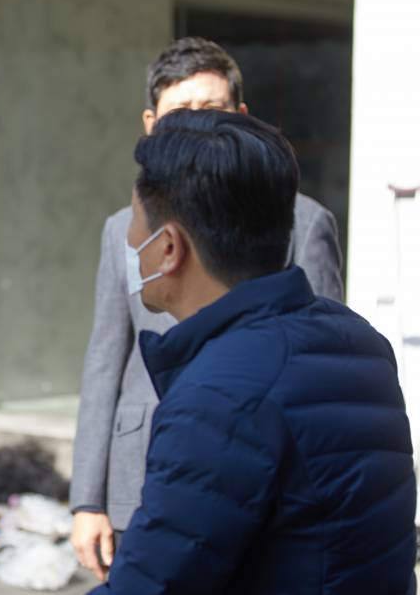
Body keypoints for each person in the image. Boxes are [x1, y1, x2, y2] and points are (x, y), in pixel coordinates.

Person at [87, 109, 416, 595]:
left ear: (170, 247)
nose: (131, 242)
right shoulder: (359, 341)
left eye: (136, 225)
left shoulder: (219, 397)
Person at [70, 37, 345, 580]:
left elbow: (322, 372)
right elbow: (105, 360)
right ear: (151, 123)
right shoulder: (125, 228)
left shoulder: (303, 222)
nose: (195, 128)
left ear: (241, 117)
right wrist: (87, 499)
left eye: (211, 110)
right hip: (141, 468)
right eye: (178, 114)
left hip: (255, 481)